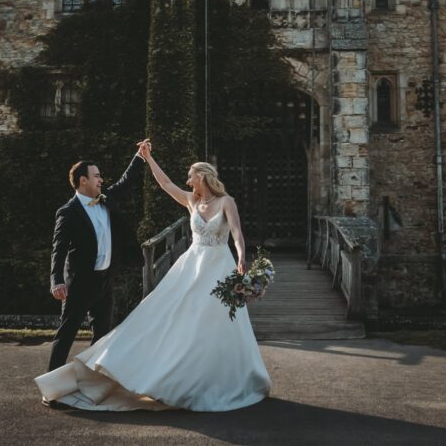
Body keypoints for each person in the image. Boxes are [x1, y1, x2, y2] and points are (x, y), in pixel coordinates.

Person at [35, 140, 271, 412]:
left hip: (218, 265)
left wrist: (241, 255)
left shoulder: (226, 201)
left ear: (202, 177)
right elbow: (166, 184)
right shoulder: (191, 200)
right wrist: (146, 158)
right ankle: (57, 387)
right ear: (82, 180)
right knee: (171, 316)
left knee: (216, 322)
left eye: (191, 175)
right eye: (96, 175)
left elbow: (238, 234)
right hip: (188, 266)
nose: (188, 179)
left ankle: (217, 377)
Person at [46, 143, 148, 374]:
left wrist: (139, 157)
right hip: (80, 283)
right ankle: (50, 384)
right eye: (97, 176)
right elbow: (58, 249)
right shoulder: (68, 212)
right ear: (83, 180)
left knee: (102, 335)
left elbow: (125, 182)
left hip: (105, 280)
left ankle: (90, 379)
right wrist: (56, 280)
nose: (101, 180)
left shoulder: (105, 198)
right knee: (67, 334)